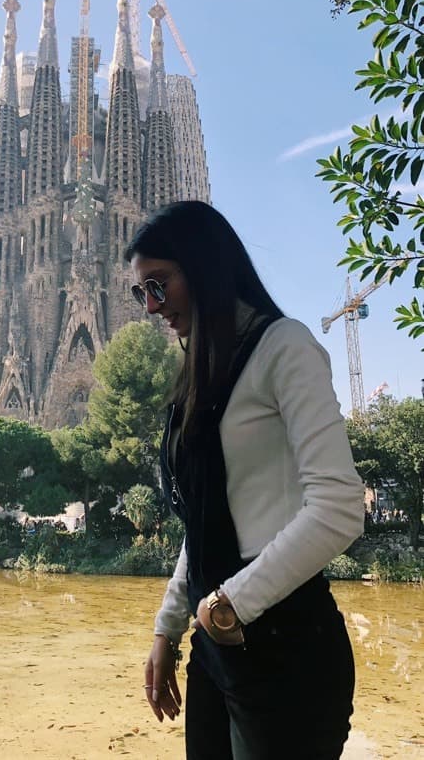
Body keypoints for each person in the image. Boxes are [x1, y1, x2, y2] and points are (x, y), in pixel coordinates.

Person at [125, 201, 365, 760]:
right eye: (142, 293)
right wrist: (169, 628)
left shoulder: (285, 347)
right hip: (218, 647)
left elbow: (339, 506)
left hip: (287, 648)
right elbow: (206, 519)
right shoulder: (203, 371)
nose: (151, 307)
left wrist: (228, 605)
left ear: (205, 267)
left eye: (158, 286)